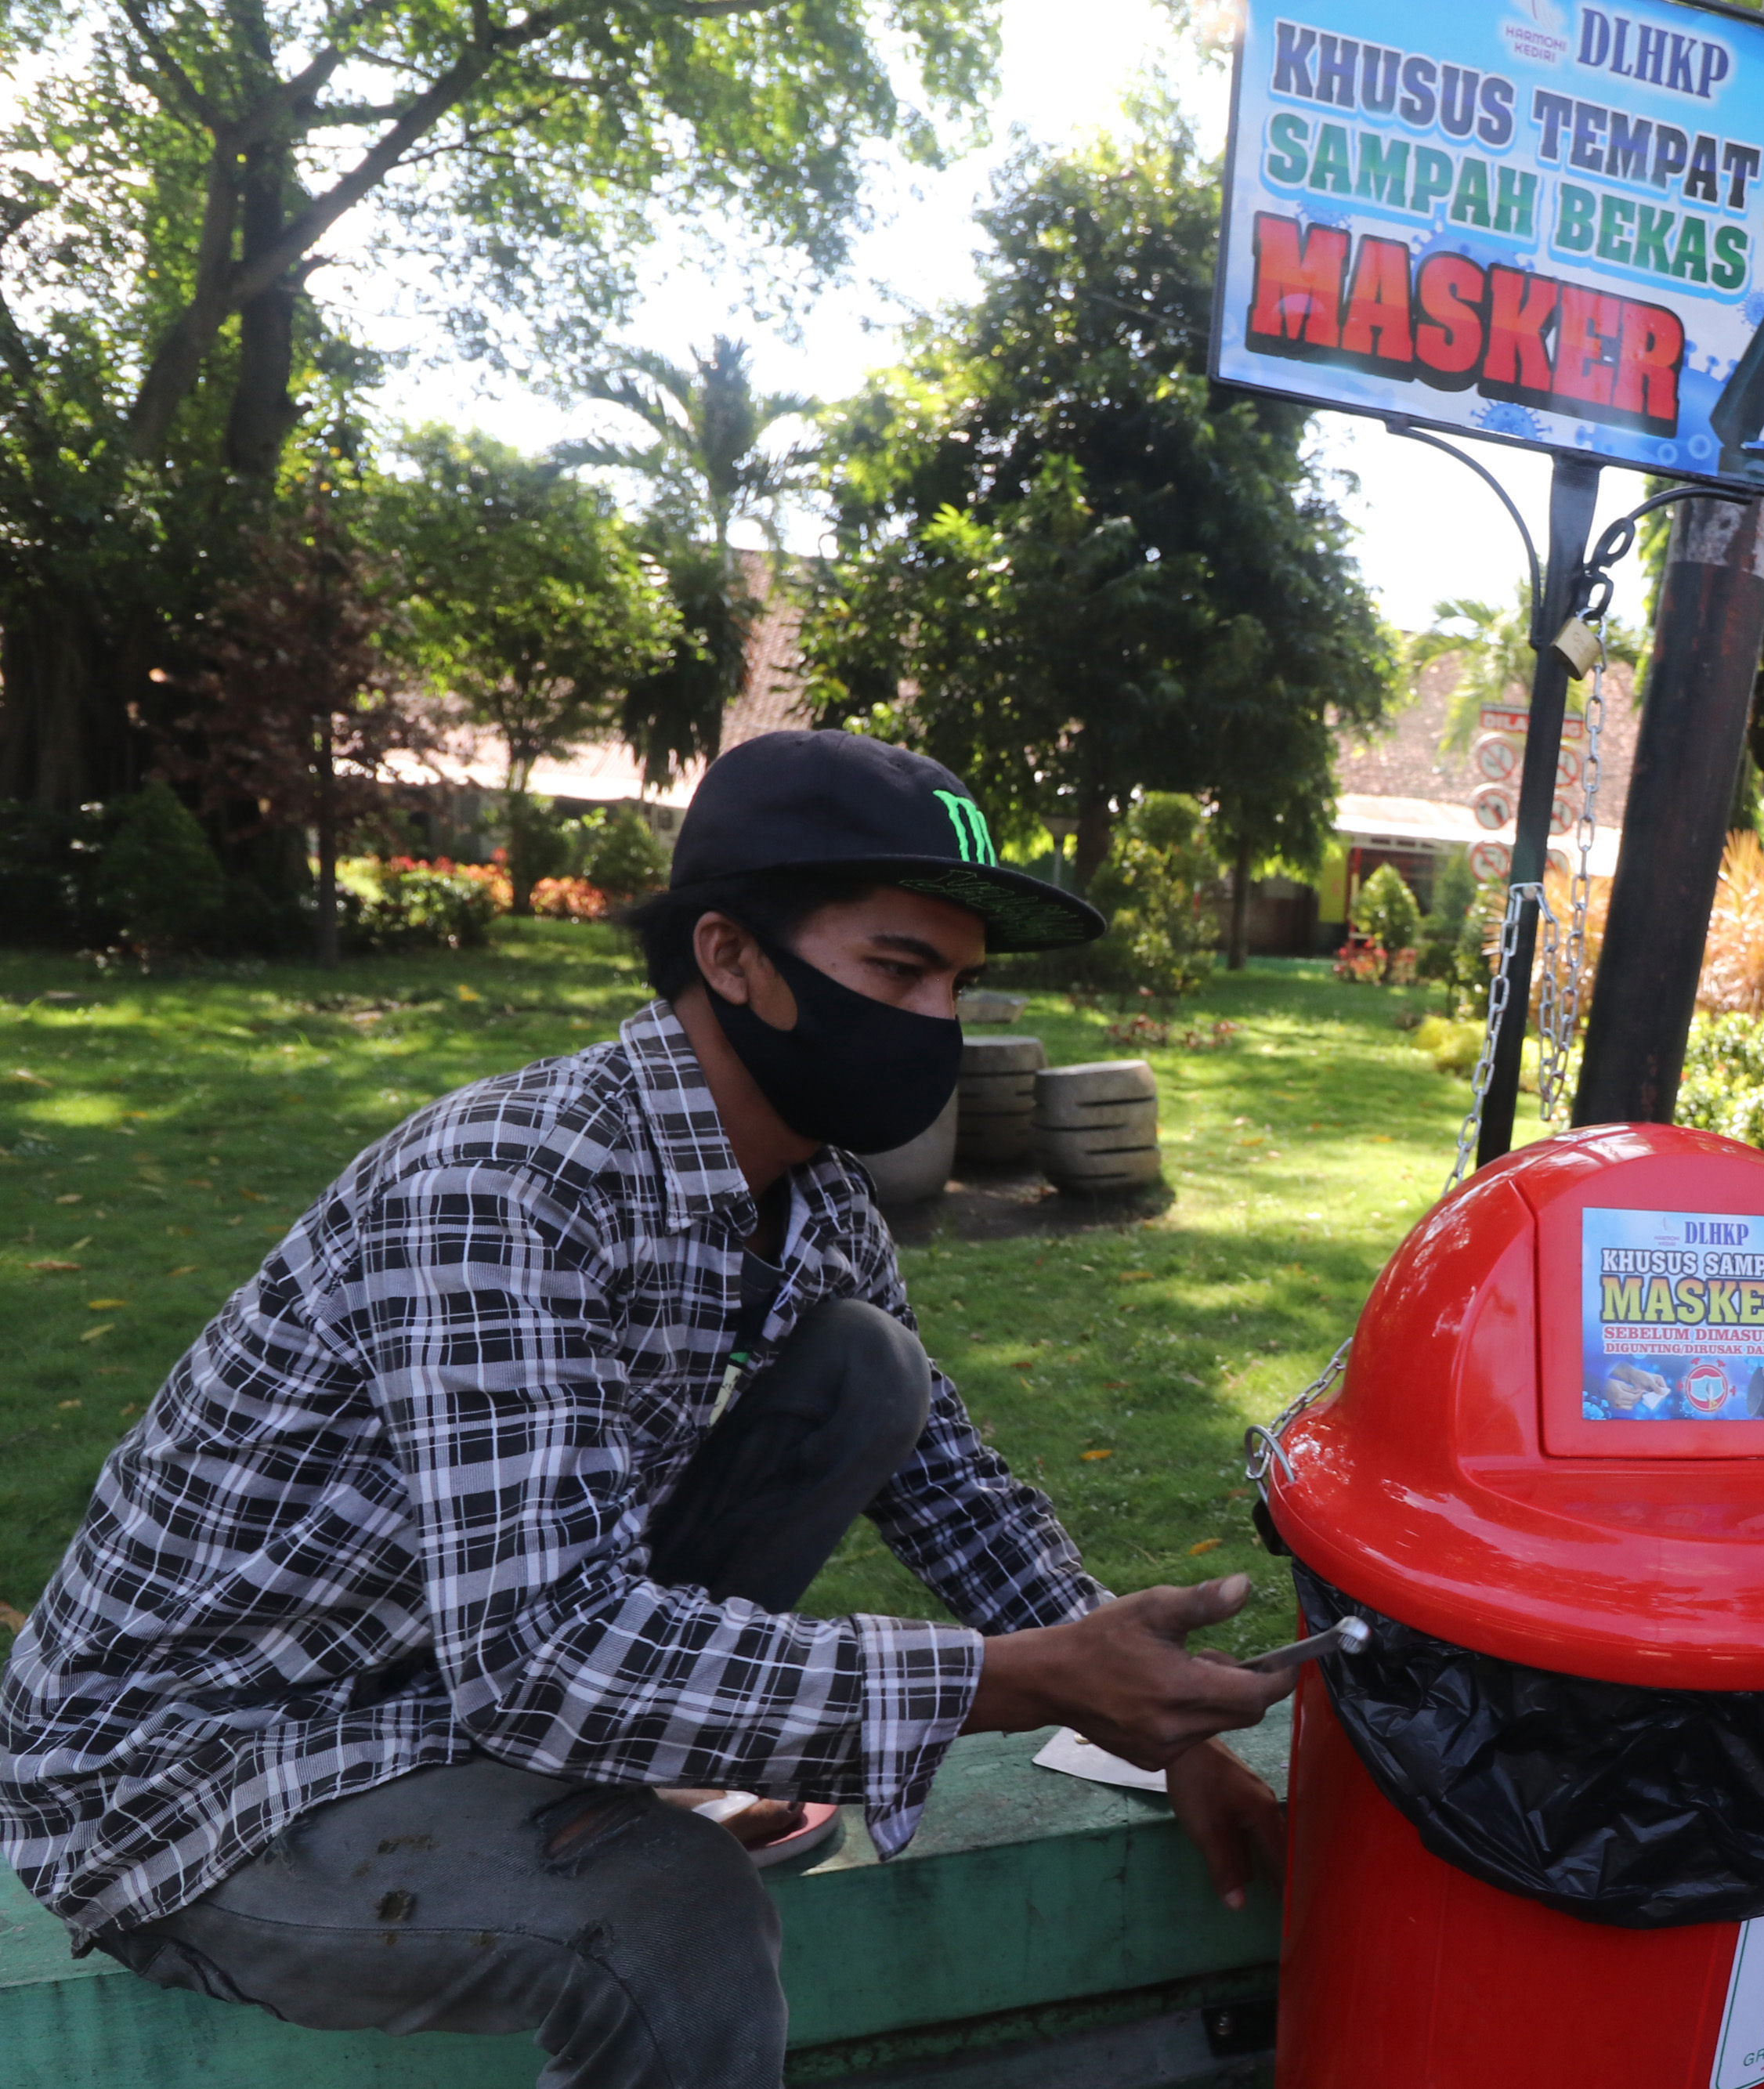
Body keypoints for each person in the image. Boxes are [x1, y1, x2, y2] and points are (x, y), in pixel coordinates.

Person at [0, 732, 1296, 2087]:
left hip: (451, 1688)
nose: (934, 1027)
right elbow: (543, 1656)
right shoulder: (504, 1186)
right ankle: (607, 1802)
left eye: (957, 985)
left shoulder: (813, 1195)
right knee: (671, 1914)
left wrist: (1145, 1722)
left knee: (872, 1372)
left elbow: (947, 1484)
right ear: (731, 959)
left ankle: (613, 1772)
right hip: (205, 1774)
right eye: (895, 971)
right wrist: (1016, 1680)